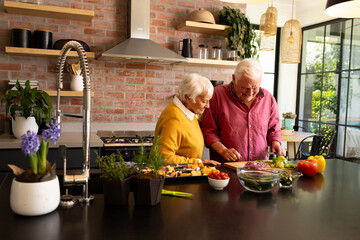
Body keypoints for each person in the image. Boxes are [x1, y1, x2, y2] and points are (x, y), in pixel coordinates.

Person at [201, 58, 286, 163]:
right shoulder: (217, 96)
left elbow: (274, 128)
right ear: (233, 78)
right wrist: (223, 151)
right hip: (226, 169)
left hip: (259, 168)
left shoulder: (268, 98)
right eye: (245, 88)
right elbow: (208, 131)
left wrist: (276, 143)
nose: (250, 93)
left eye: (255, 88)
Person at [154, 73, 221, 166]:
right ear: (188, 98)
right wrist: (199, 162)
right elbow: (164, 158)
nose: (208, 106)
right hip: (174, 178)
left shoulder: (189, 112)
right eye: (204, 101)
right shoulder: (174, 119)